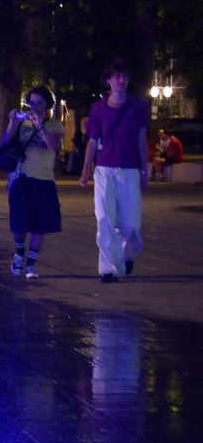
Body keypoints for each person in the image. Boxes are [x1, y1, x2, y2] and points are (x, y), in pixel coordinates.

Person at [79, 59, 148, 283]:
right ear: (108, 80)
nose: (121, 81)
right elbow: (92, 141)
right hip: (105, 169)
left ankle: (125, 255)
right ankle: (108, 269)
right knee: (105, 218)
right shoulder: (98, 108)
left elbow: (141, 138)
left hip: (129, 170)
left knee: (130, 223)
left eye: (124, 77)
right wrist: (85, 170)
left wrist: (145, 171)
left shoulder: (138, 105)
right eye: (116, 77)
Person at [0, 85, 64, 279]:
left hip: (44, 179)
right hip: (21, 178)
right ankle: (19, 253)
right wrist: (11, 123)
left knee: (39, 225)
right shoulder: (22, 124)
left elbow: (53, 145)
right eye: (32, 103)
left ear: (47, 105)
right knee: (18, 224)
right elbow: (4, 144)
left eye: (40, 103)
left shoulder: (54, 125)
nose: (35, 107)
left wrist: (40, 126)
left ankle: (31, 264)